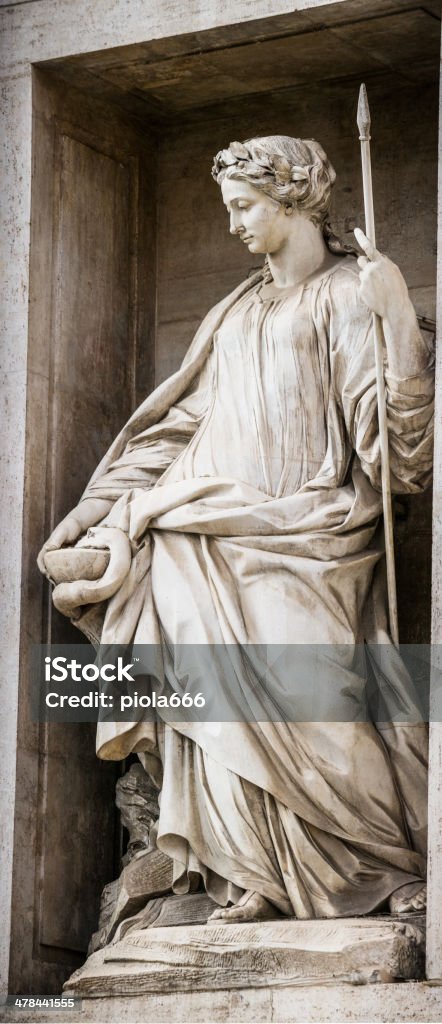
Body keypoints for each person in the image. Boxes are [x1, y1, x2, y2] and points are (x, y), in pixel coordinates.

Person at [38, 135, 434, 923]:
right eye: (226, 210)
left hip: (309, 531)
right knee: (207, 696)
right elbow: (177, 426)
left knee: (319, 705)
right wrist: (95, 507)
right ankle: (247, 866)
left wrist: (397, 325)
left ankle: (384, 862)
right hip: (199, 530)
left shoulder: (350, 294)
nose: (233, 226)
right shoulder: (238, 309)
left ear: (291, 203)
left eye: (244, 207)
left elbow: (400, 456)